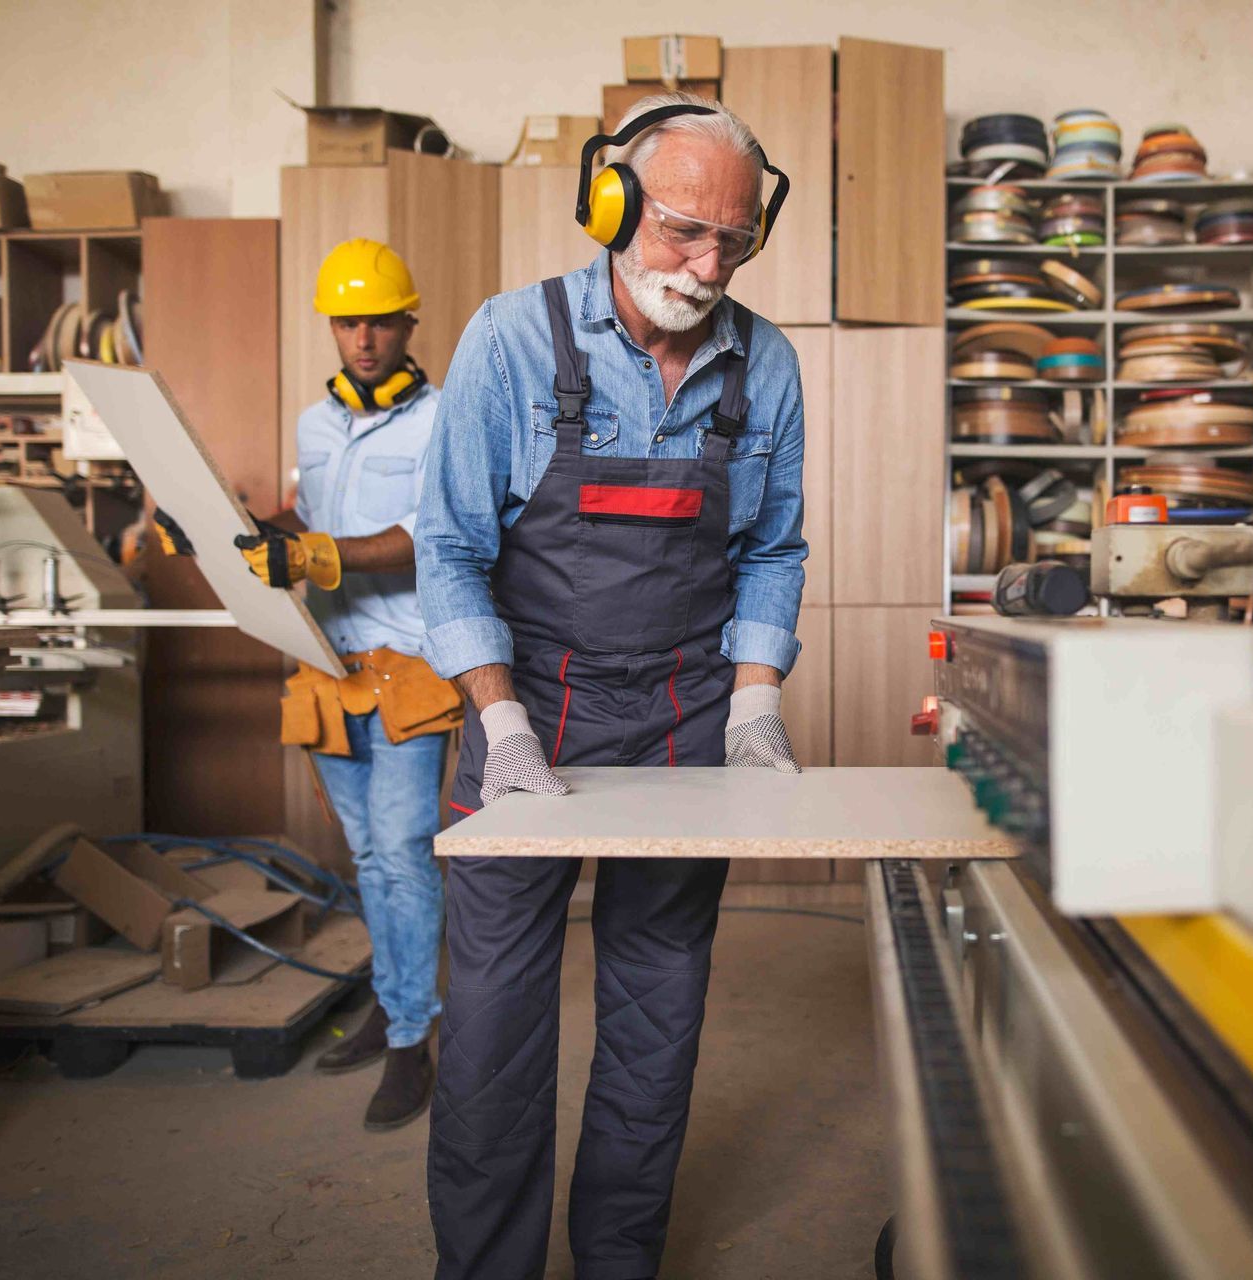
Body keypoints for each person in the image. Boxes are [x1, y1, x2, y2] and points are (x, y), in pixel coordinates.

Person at [414, 93, 806, 1279]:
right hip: (528, 710)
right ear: (610, 204)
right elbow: (451, 546)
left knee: (656, 1019)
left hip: (688, 718)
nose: (710, 263)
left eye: (734, 241)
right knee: (488, 1034)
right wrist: (501, 722)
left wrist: (753, 706)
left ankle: (619, 1262)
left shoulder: (766, 360)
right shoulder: (511, 339)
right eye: (686, 231)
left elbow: (772, 549)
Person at [239, 237, 462, 1129]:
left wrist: (319, 554)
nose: (362, 337)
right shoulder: (312, 423)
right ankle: (394, 1000)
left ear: (409, 322)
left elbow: (429, 532)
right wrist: (251, 529)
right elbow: (314, 521)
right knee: (368, 854)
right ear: (332, 326)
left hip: (409, 669)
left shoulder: (443, 418)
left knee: (406, 853)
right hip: (328, 665)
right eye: (347, 321)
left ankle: (415, 1037)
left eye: (378, 319)